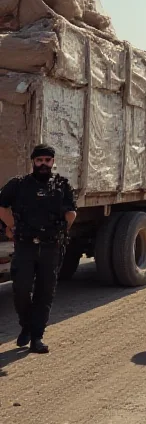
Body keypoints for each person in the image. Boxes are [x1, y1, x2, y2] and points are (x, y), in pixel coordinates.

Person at [0, 144, 77, 354]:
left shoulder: (62, 185)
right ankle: (25, 325)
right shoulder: (19, 184)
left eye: (47, 160)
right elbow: (1, 205)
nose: (44, 164)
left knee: (45, 292)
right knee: (21, 289)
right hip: (25, 245)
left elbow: (71, 212)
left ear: (53, 162)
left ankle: (37, 337)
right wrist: (11, 227)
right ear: (33, 162)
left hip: (50, 247)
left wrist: (60, 230)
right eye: (39, 160)